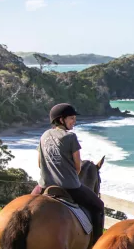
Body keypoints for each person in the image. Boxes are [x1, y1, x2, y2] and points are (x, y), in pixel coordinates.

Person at [35, 103, 105, 241]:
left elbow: (39, 163)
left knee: (25, 206)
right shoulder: (71, 137)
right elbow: (77, 167)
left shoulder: (44, 136)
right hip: (70, 187)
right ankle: (96, 244)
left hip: (43, 186)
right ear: (61, 120)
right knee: (99, 206)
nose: (74, 121)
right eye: (71, 118)